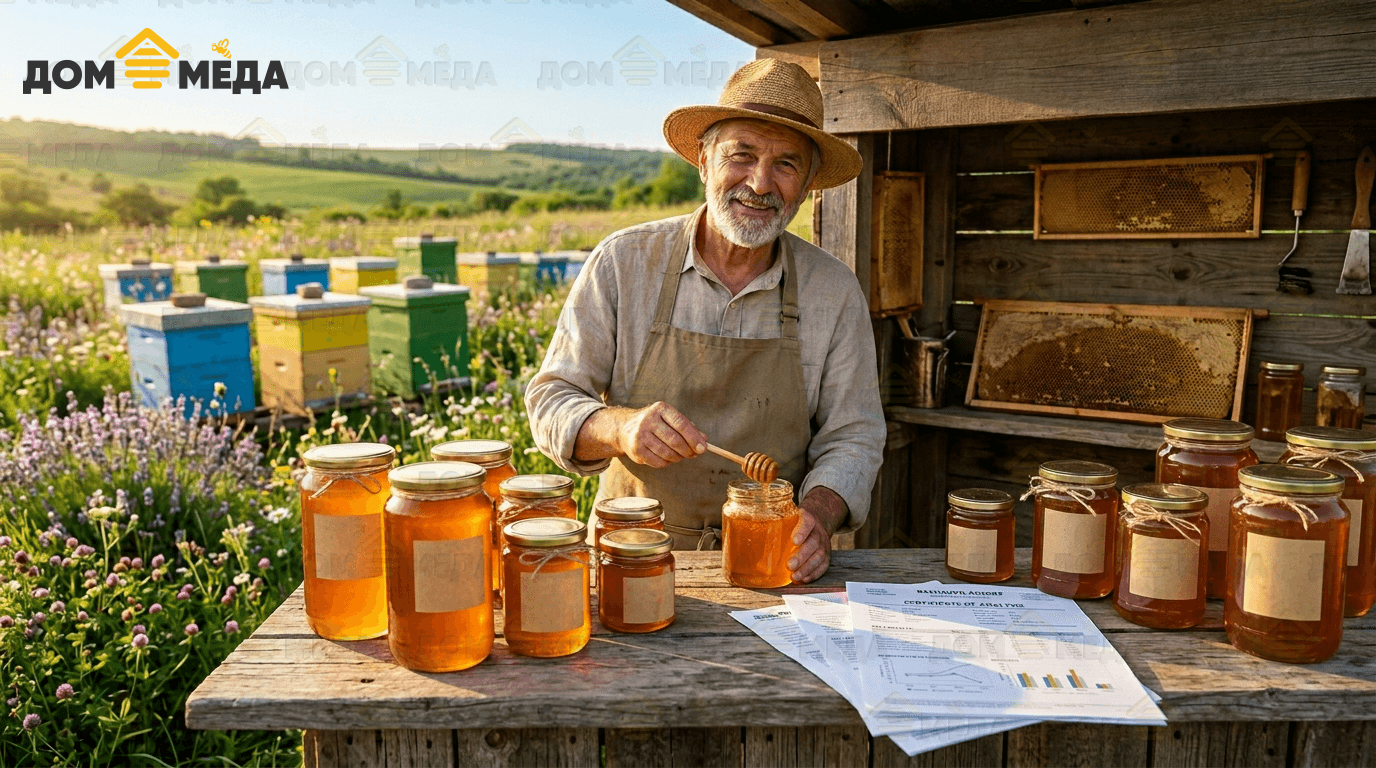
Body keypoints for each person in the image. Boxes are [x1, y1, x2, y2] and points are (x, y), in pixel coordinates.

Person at [525, 59, 884, 584]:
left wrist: (821, 518)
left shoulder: (833, 291)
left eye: (786, 164)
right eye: (742, 154)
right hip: (632, 559)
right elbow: (551, 400)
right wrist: (620, 427)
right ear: (703, 159)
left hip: (773, 567)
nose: (759, 183)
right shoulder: (624, 263)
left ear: (807, 186)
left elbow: (853, 437)